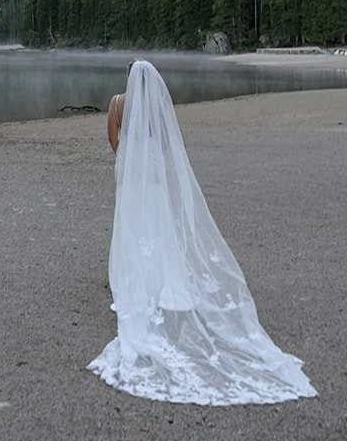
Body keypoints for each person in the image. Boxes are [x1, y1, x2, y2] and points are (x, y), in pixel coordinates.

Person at [87, 60, 317, 405]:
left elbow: (112, 139)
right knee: (156, 221)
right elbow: (166, 144)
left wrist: (130, 159)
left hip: (129, 170)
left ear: (129, 78)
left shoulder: (117, 103)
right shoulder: (155, 108)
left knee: (132, 221)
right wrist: (148, 159)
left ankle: (133, 274)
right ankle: (161, 277)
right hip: (152, 172)